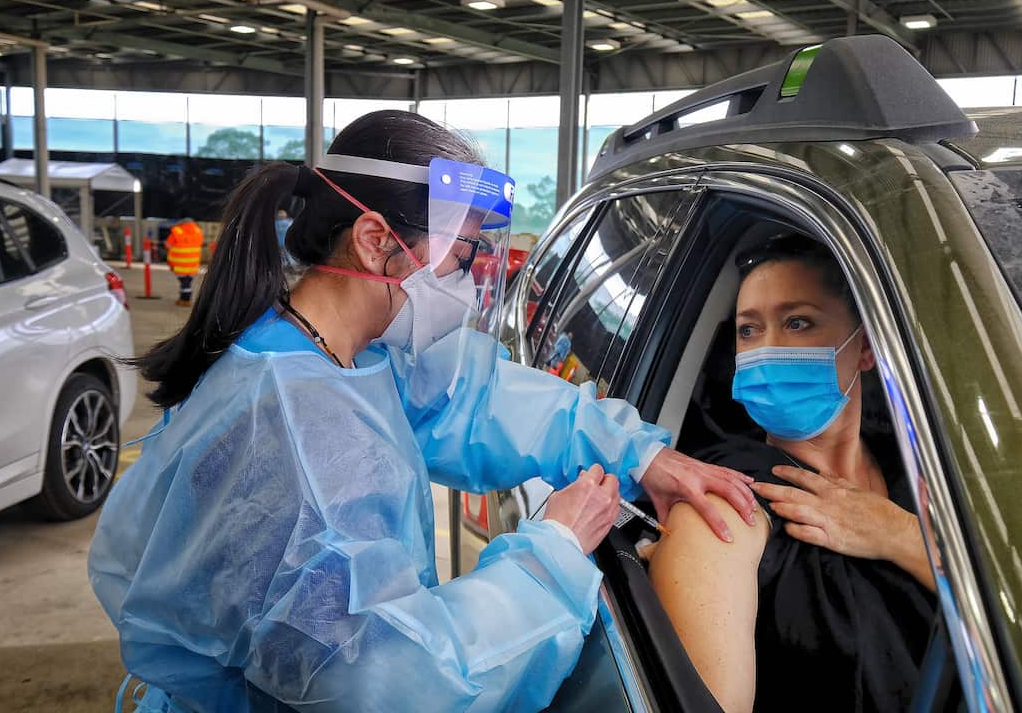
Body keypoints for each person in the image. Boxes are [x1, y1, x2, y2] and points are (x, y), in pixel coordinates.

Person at [89, 110, 756, 713]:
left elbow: (476, 398)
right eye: (459, 259)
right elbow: (386, 681)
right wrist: (551, 554)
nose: (464, 286)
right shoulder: (294, 427)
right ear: (374, 240)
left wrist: (638, 452)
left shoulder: (344, 352)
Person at [647, 235, 936, 713]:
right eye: (748, 330)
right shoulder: (724, 502)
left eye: (798, 322)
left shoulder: (929, 472)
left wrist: (897, 533)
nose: (767, 351)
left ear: (865, 347)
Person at [165, 214, 203, 307]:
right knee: (187, 281)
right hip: (193, 263)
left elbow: (168, 245)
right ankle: (183, 298)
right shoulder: (198, 231)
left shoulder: (177, 232)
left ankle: (186, 300)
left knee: (185, 283)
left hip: (180, 264)